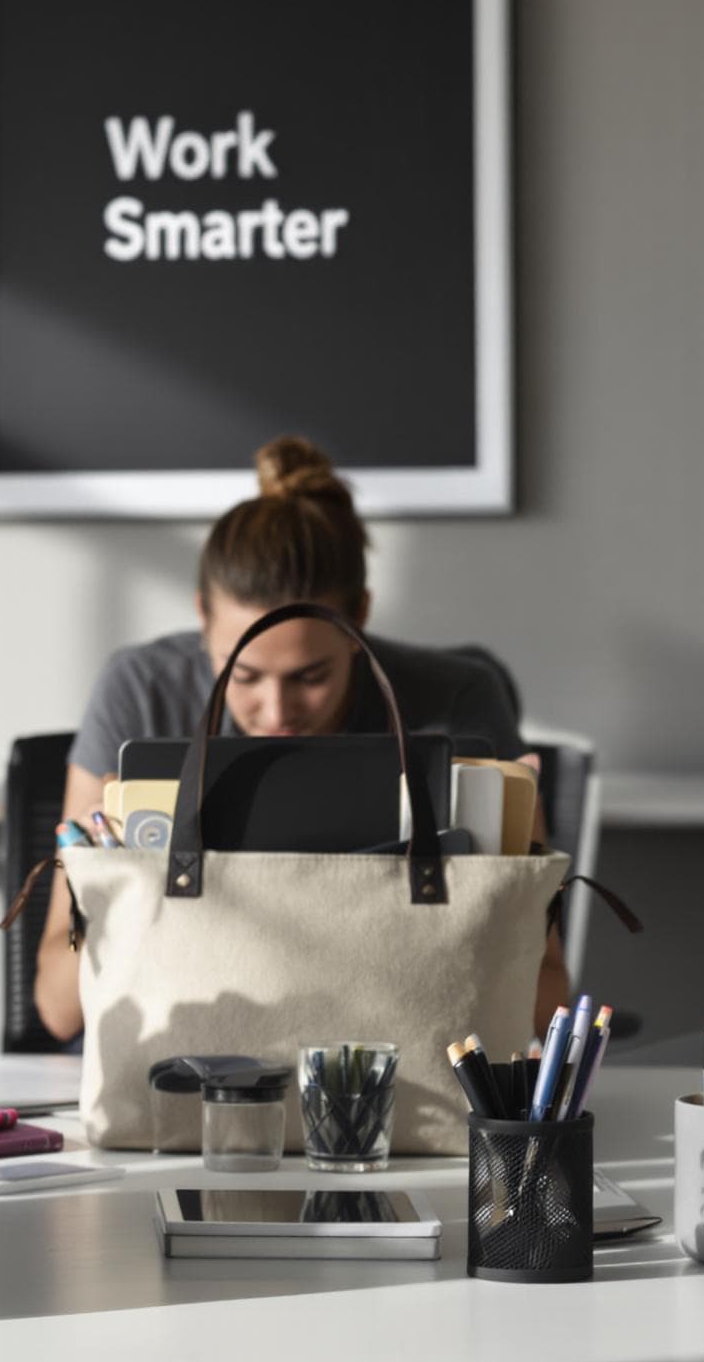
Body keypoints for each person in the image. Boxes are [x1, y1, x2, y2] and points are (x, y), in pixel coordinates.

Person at [31, 435, 553, 1045]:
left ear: (359, 614)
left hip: (393, 1059)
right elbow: (59, 1008)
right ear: (202, 616)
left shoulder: (457, 703)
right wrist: (116, 884)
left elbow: (544, 997)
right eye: (242, 675)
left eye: (311, 676)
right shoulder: (141, 692)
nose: (276, 711)